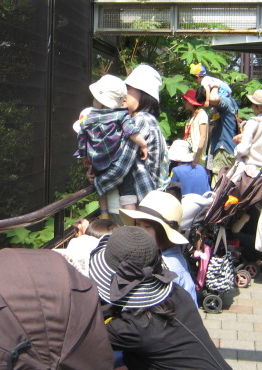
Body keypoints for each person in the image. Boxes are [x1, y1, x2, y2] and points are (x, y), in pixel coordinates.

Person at [89, 226, 241, 370]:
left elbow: (82, 336)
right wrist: (137, 369)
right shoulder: (176, 293)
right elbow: (171, 348)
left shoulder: (134, 327)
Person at [91, 64, 169, 210]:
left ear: (143, 93)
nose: (124, 94)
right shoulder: (148, 120)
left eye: (128, 88)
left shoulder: (141, 120)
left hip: (137, 204)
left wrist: (98, 181)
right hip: (144, 203)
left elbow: (121, 166)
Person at [75, 74, 148, 217]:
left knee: (100, 187)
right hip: (117, 159)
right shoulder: (121, 115)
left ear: (100, 100)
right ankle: (131, 216)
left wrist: (85, 158)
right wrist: (143, 145)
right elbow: (131, 132)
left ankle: (104, 213)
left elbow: (82, 141)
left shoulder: (88, 119)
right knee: (127, 189)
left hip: (97, 162)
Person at [120, 191, 198, 305]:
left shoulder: (170, 268)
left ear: (163, 233)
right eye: (137, 224)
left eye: (147, 226)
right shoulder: (154, 255)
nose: (140, 231)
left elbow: (188, 307)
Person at [206, 85, 239, 187]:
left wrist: (215, 86)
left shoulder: (226, 103)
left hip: (223, 149)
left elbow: (213, 99)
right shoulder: (230, 105)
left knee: (219, 180)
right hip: (227, 148)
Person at [181, 88, 209, 167]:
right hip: (190, 153)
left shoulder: (202, 114)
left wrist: (197, 157)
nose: (184, 102)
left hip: (197, 155)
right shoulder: (193, 116)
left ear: (191, 102)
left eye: (185, 100)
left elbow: (203, 136)